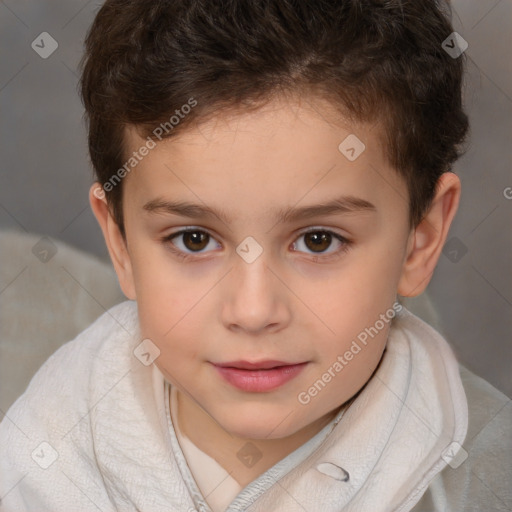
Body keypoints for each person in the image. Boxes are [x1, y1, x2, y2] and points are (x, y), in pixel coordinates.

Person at [1, 1, 510, 511]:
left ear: (420, 239)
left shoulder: (486, 477)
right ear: (121, 244)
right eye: (194, 240)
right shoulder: (40, 460)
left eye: (318, 240)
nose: (252, 310)